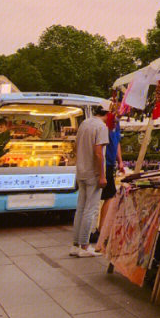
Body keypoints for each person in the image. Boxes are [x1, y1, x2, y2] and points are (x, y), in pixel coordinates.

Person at [71, 104, 108, 257]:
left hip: (81, 171)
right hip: (93, 173)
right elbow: (99, 153)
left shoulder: (84, 123)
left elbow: (75, 147)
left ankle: (75, 245)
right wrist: (102, 175)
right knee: (90, 210)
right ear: (108, 113)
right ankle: (85, 246)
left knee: (80, 208)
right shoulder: (101, 127)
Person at [93, 106, 125, 249]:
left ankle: (101, 228)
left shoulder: (116, 126)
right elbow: (99, 149)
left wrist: (120, 161)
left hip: (110, 164)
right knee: (109, 196)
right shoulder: (104, 126)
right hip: (104, 164)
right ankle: (100, 229)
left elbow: (117, 143)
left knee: (109, 196)